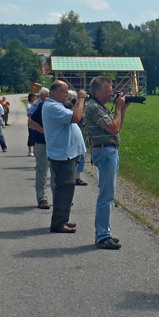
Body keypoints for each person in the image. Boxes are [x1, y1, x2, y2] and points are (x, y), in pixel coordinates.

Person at [84, 76, 130, 250]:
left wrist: (122, 109)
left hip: (108, 150)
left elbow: (117, 126)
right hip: (105, 152)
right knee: (106, 195)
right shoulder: (94, 107)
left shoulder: (100, 106)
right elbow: (114, 128)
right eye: (109, 90)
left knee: (107, 194)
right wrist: (118, 107)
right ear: (98, 92)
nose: (113, 92)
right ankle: (102, 236)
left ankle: (104, 233)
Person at [42, 80, 88, 233]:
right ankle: (58, 223)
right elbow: (75, 118)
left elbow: (73, 114)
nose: (67, 95)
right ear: (57, 92)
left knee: (67, 188)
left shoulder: (56, 106)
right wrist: (81, 99)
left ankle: (63, 219)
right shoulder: (53, 107)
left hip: (65, 153)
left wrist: (77, 105)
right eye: (65, 92)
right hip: (62, 154)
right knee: (65, 188)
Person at [29, 87, 54, 209]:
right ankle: (42, 198)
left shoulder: (63, 107)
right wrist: (44, 132)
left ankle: (58, 198)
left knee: (56, 172)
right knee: (42, 171)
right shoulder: (44, 105)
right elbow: (32, 122)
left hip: (57, 144)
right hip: (42, 142)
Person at [64, 89, 88, 185]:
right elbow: (75, 117)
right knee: (73, 157)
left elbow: (82, 118)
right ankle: (71, 177)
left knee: (82, 155)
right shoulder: (66, 107)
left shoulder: (75, 106)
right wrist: (79, 103)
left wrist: (83, 108)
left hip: (79, 134)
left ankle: (77, 177)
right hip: (71, 136)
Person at [26, 92, 37, 157]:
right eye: (34, 96)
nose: (35, 97)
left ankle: (34, 151)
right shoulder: (29, 104)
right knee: (31, 136)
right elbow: (29, 111)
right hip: (31, 122)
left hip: (36, 122)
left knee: (35, 136)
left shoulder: (36, 104)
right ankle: (30, 151)